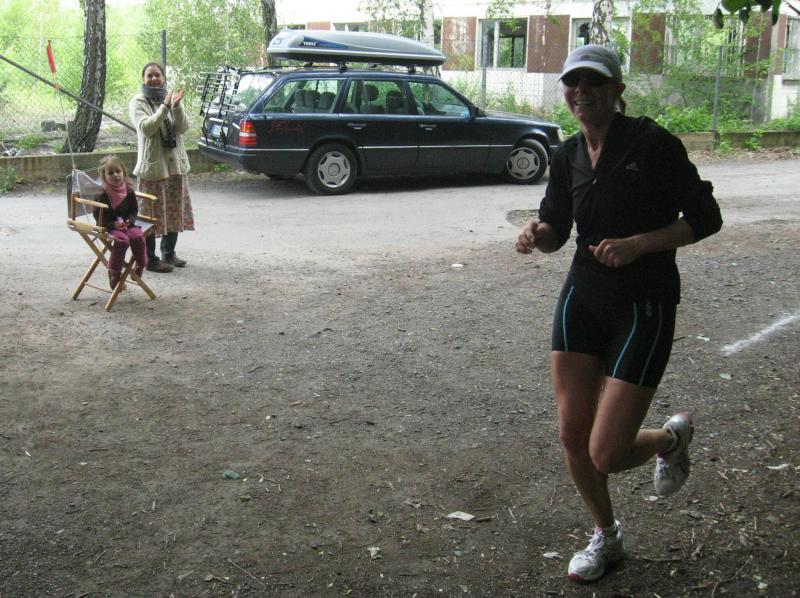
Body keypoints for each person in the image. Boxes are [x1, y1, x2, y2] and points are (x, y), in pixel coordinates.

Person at [515, 44, 722, 582]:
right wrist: (538, 234)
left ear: (617, 90)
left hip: (644, 303)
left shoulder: (652, 144)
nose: (581, 92)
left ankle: (670, 439)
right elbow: (557, 229)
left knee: (605, 452)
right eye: (573, 83)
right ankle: (606, 536)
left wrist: (640, 244)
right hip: (583, 298)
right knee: (572, 435)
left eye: (594, 82)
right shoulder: (566, 155)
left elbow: (706, 216)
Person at [130, 62, 195, 273]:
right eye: (149, 75)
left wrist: (176, 107)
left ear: (163, 78)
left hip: (175, 167)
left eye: (157, 75)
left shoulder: (170, 99)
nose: (154, 79)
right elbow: (147, 128)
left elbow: (183, 127)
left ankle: (169, 253)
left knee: (173, 210)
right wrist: (165, 108)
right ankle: (149, 259)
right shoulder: (138, 102)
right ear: (143, 79)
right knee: (148, 214)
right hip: (152, 170)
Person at [93, 155, 148, 289]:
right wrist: (112, 224)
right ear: (104, 176)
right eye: (110, 173)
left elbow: (134, 210)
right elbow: (97, 215)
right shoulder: (102, 194)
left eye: (118, 171)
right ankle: (114, 272)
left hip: (127, 224)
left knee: (138, 237)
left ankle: (140, 265)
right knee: (122, 241)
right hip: (109, 226)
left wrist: (129, 220)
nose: (115, 175)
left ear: (123, 172)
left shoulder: (129, 191)